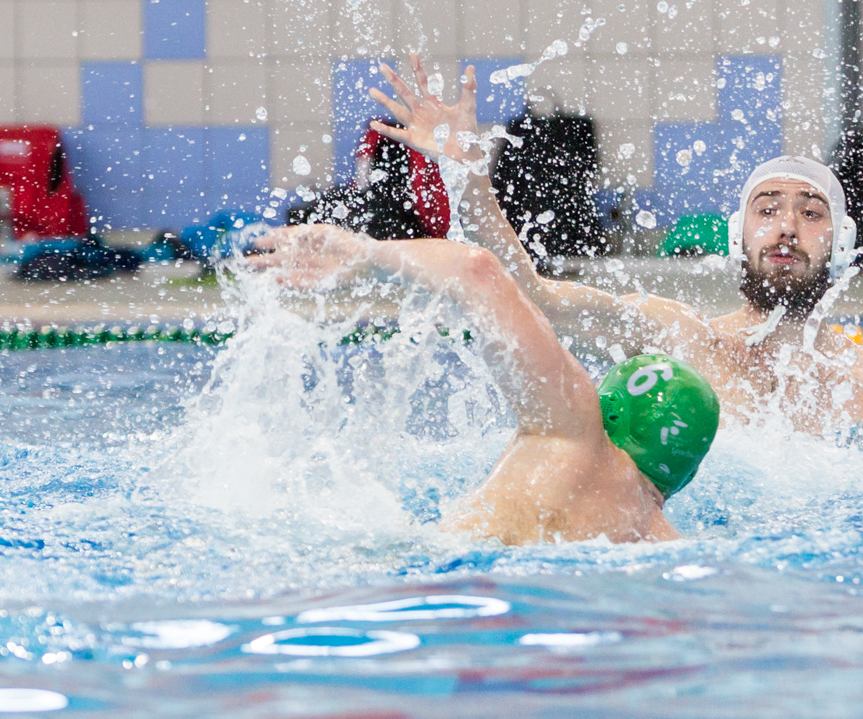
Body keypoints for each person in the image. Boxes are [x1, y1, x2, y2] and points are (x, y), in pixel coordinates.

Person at [367, 55, 863, 455]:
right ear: (737, 237)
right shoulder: (675, 338)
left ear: (841, 244)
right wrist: (467, 176)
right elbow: (538, 298)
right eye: (767, 208)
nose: (786, 227)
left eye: (811, 212)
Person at [246, 223, 720, 546]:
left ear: (610, 409)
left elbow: (477, 271)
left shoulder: (575, 427)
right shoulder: (661, 539)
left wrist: (365, 253)